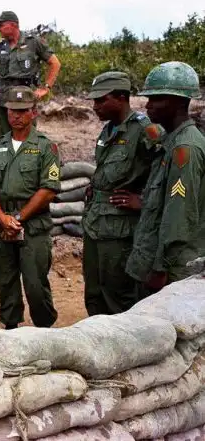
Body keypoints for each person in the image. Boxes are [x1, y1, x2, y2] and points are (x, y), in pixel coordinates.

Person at [0, 86, 60, 329]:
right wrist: (1, 217)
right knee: (6, 282)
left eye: (22, 110)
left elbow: (48, 189)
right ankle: (11, 328)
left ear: (33, 112)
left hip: (32, 225)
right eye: (12, 110)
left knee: (35, 284)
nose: (16, 115)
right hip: (1, 224)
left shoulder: (46, 146)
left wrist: (17, 218)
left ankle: (44, 330)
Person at [82, 71, 160, 315]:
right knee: (94, 293)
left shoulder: (146, 130)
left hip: (120, 230)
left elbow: (169, 175)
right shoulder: (108, 130)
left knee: (118, 296)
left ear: (121, 98)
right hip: (95, 224)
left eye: (101, 100)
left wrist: (144, 201)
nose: (95, 106)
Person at [126, 61, 205, 292]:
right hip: (157, 262)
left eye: (157, 99)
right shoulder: (171, 142)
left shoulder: (185, 148)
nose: (148, 105)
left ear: (179, 102)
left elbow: (179, 217)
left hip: (173, 272)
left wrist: (160, 269)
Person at [0, 11, 61, 136]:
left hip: (25, 100)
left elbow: (55, 63)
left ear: (13, 25)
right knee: (6, 138)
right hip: (4, 100)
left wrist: (46, 88)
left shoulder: (33, 42)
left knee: (27, 138)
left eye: (1, 25)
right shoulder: (0, 47)